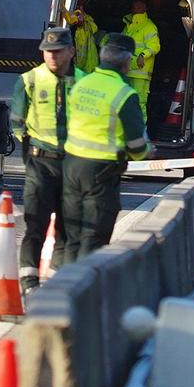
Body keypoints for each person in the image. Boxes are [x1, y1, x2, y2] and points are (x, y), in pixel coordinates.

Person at [58, 34, 150, 265]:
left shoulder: (80, 84)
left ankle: (65, 285)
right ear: (126, 62)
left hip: (70, 166)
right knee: (94, 237)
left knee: (73, 235)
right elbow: (137, 146)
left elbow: (63, 123)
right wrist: (147, 151)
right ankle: (82, 293)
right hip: (101, 173)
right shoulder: (124, 94)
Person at [11, 25, 84, 294]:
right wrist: (31, 161)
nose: (51, 56)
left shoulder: (83, 82)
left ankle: (55, 281)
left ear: (71, 52)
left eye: (57, 51)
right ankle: (29, 283)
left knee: (69, 227)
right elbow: (17, 126)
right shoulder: (29, 80)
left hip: (73, 164)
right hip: (40, 163)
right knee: (35, 225)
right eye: (47, 51)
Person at [122, 0, 161, 108]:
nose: (135, 9)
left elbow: (155, 46)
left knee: (139, 103)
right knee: (124, 102)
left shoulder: (149, 26)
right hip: (126, 70)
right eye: (134, 7)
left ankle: (140, 125)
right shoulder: (129, 25)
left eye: (139, 7)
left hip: (140, 72)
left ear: (145, 9)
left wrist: (142, 55)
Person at [63, 6, 100, 72]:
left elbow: (94, 28)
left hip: (90, 66)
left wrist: (84, 16)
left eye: (79, 16)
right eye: (76, 16)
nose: (78, 19)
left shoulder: (87, 26)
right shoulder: (71, 31)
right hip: (80, 68)